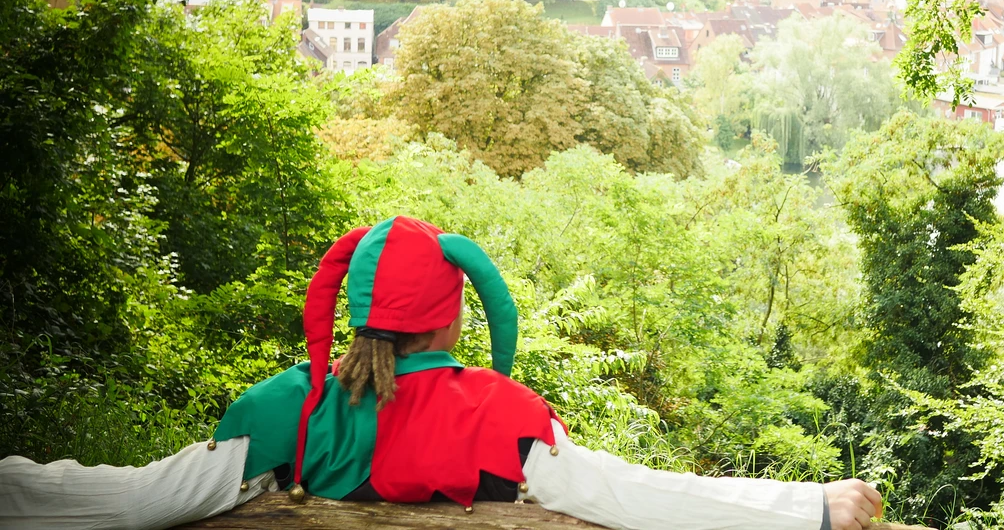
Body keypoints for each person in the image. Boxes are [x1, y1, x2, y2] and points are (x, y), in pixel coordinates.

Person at [0, 216, 884, 530]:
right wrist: (805, 507)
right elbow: (630, 496)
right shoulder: (493, 415)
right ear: (457, 311)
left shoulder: (288, 410)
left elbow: (136, 501)